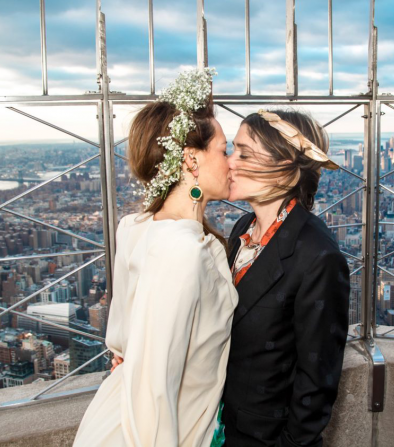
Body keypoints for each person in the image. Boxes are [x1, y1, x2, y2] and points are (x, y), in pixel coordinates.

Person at [73, 68, 238, 447]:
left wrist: (128, 358)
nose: (231, 161)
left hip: (117, 417)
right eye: (223, 149)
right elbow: (152, 390)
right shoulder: (179, 249)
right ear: (191, 160)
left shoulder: (138, 225)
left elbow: (125, 340)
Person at [222, 109, 350, 447]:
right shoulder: (241, 230)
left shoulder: (318, 256)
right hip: (220, 427)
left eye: (243, 152)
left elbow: (317, 383)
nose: (230, 162)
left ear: (286, 167)